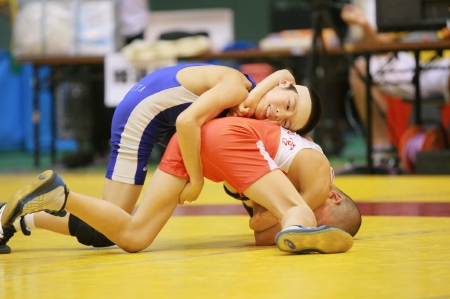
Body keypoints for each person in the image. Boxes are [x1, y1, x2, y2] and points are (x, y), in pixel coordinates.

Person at [0, 63, 323, 254]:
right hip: (140, 116)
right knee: (106, 232)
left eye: (285, 122)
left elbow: (284, 73)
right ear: (284, 86)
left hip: (150, 110)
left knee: (107, 231)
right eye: (287, 105)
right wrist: (196, 180)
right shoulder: (239, 89)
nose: (278, 114)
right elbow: (186, 123)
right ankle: (48, 200)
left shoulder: (248, 98)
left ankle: (16, 215)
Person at [1, 117, 360, 254]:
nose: (315, 213)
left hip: (195, 148)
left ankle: (59, 196)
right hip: (226, 137)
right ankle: (306, 239)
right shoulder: (318, 170)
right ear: (333, 195)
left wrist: (281, 224)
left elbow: (259, 232)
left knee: (134, 236)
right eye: (322, 216)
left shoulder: (275, 180)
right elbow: (268, 223)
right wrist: (292, 218)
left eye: (316, 222)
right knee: (290, 210)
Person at [341, 2, 450, 162]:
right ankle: (382, 152)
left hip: (444, 63)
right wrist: (364, 24)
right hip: (408, 64)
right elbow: (378, 45)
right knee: (360, 69)